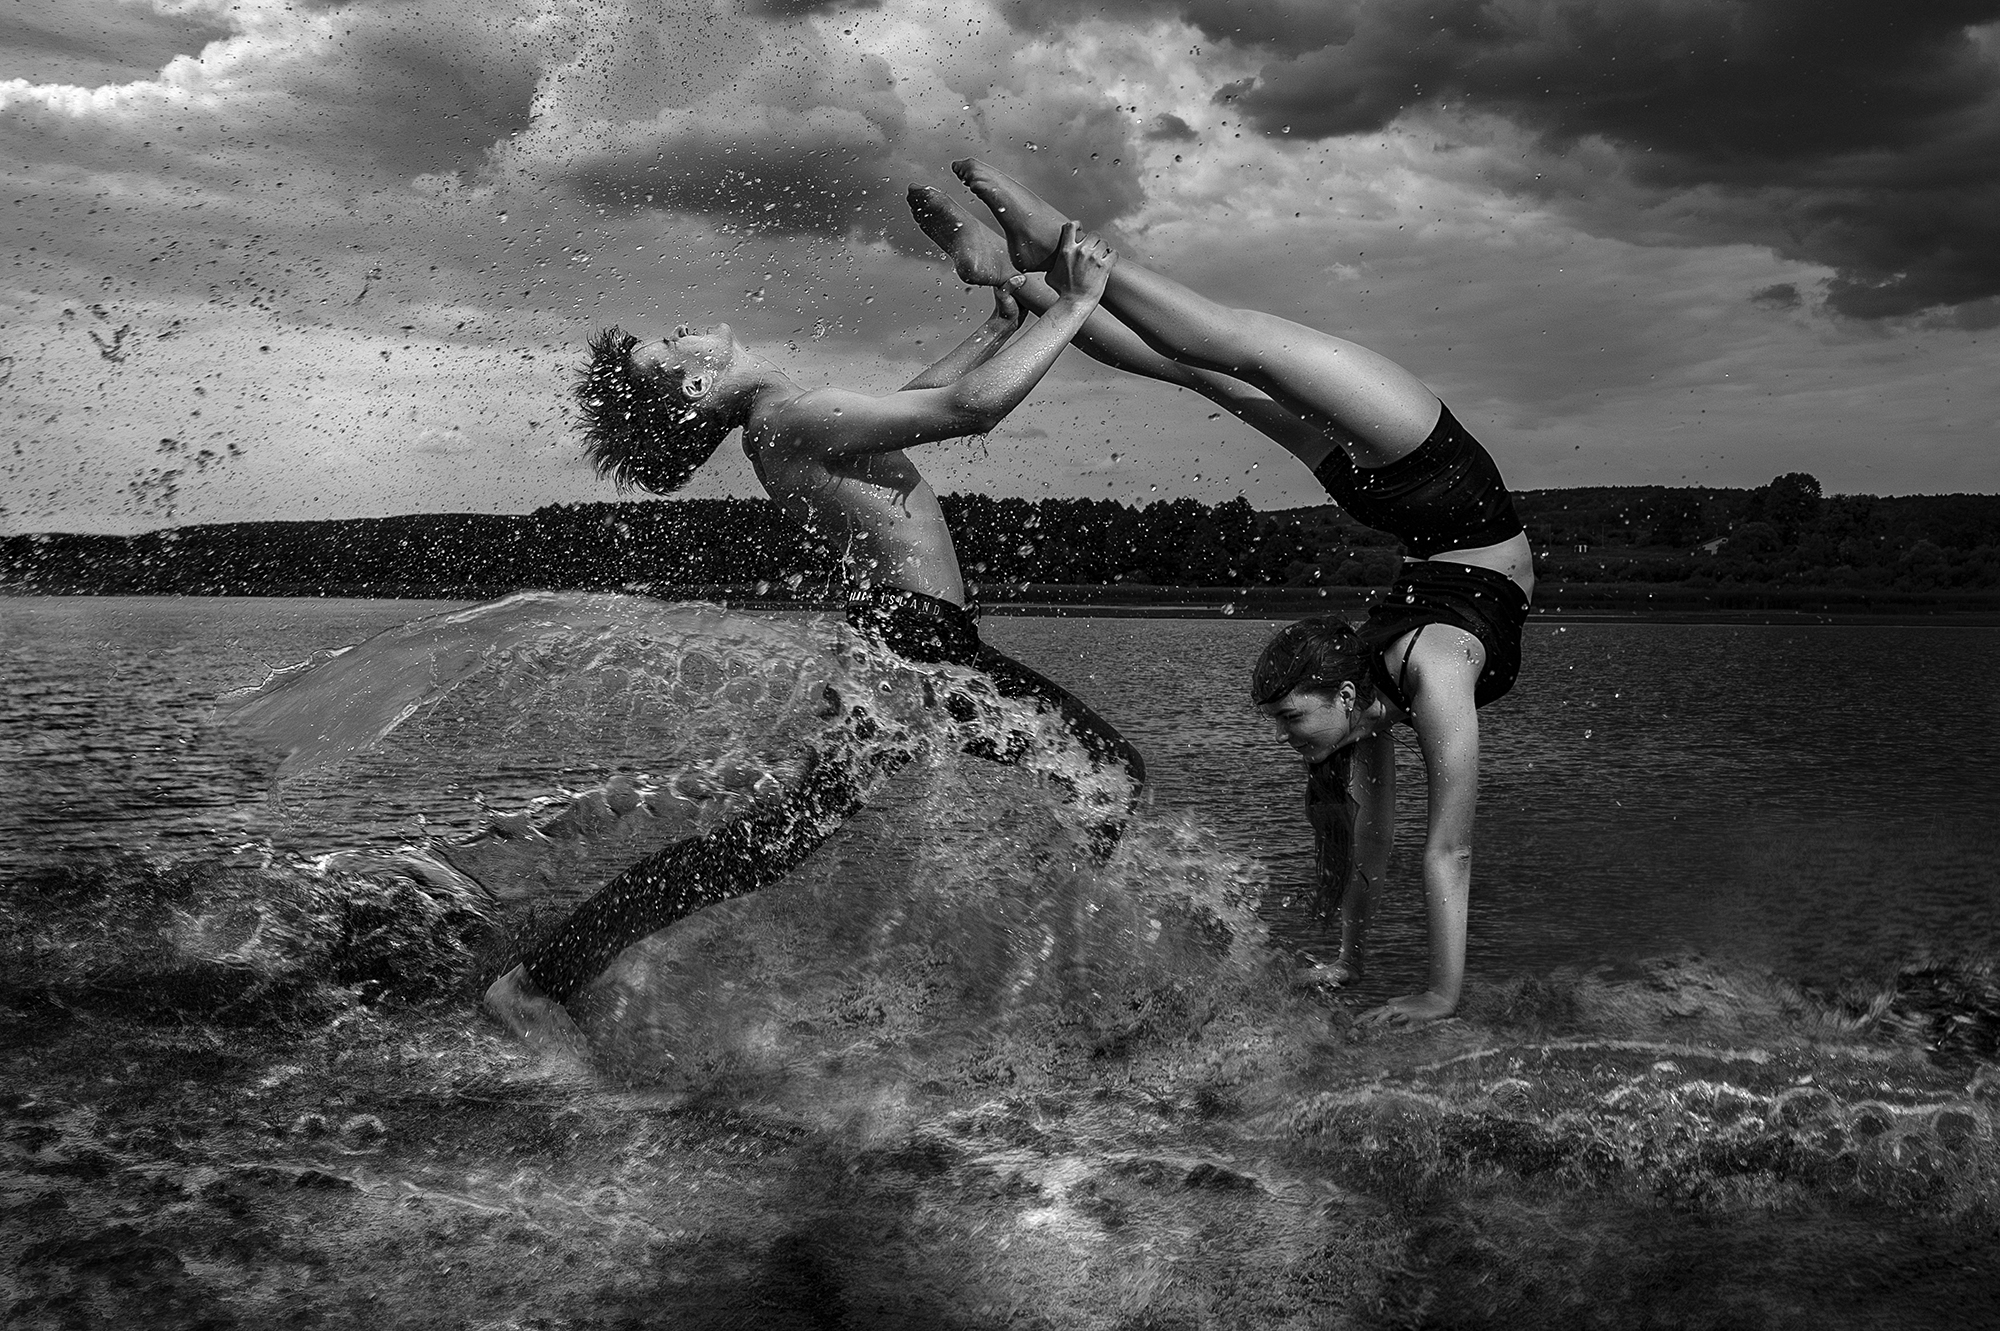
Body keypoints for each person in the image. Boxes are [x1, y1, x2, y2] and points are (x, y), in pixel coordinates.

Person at [485, 222, 1147, 1054]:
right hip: (920, 646)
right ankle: (1076, 978)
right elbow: (972, 408)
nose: (681, 328)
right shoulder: (790, 416)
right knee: (1112, 773)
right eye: (670, 346)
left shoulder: (782, 422)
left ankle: (541, 979)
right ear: (696, 384)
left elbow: (908, 408)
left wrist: (996, 328)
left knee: (776, 841)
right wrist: (1075, 303)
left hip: (898, 641)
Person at [912, 162, 1534, 1028]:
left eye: (1287, 719)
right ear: (1345, 696)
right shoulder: (1433, 672)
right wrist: (1415, 986)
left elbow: (1388, 847)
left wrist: (1380, 972)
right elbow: (1439, 848)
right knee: (1227, 349)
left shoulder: (1378, 699)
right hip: (1438, 478)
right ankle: (1033, 261)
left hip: (1399, 504)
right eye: (1289, 721)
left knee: (1215, 365)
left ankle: (1032, 269)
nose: (1287, 738)